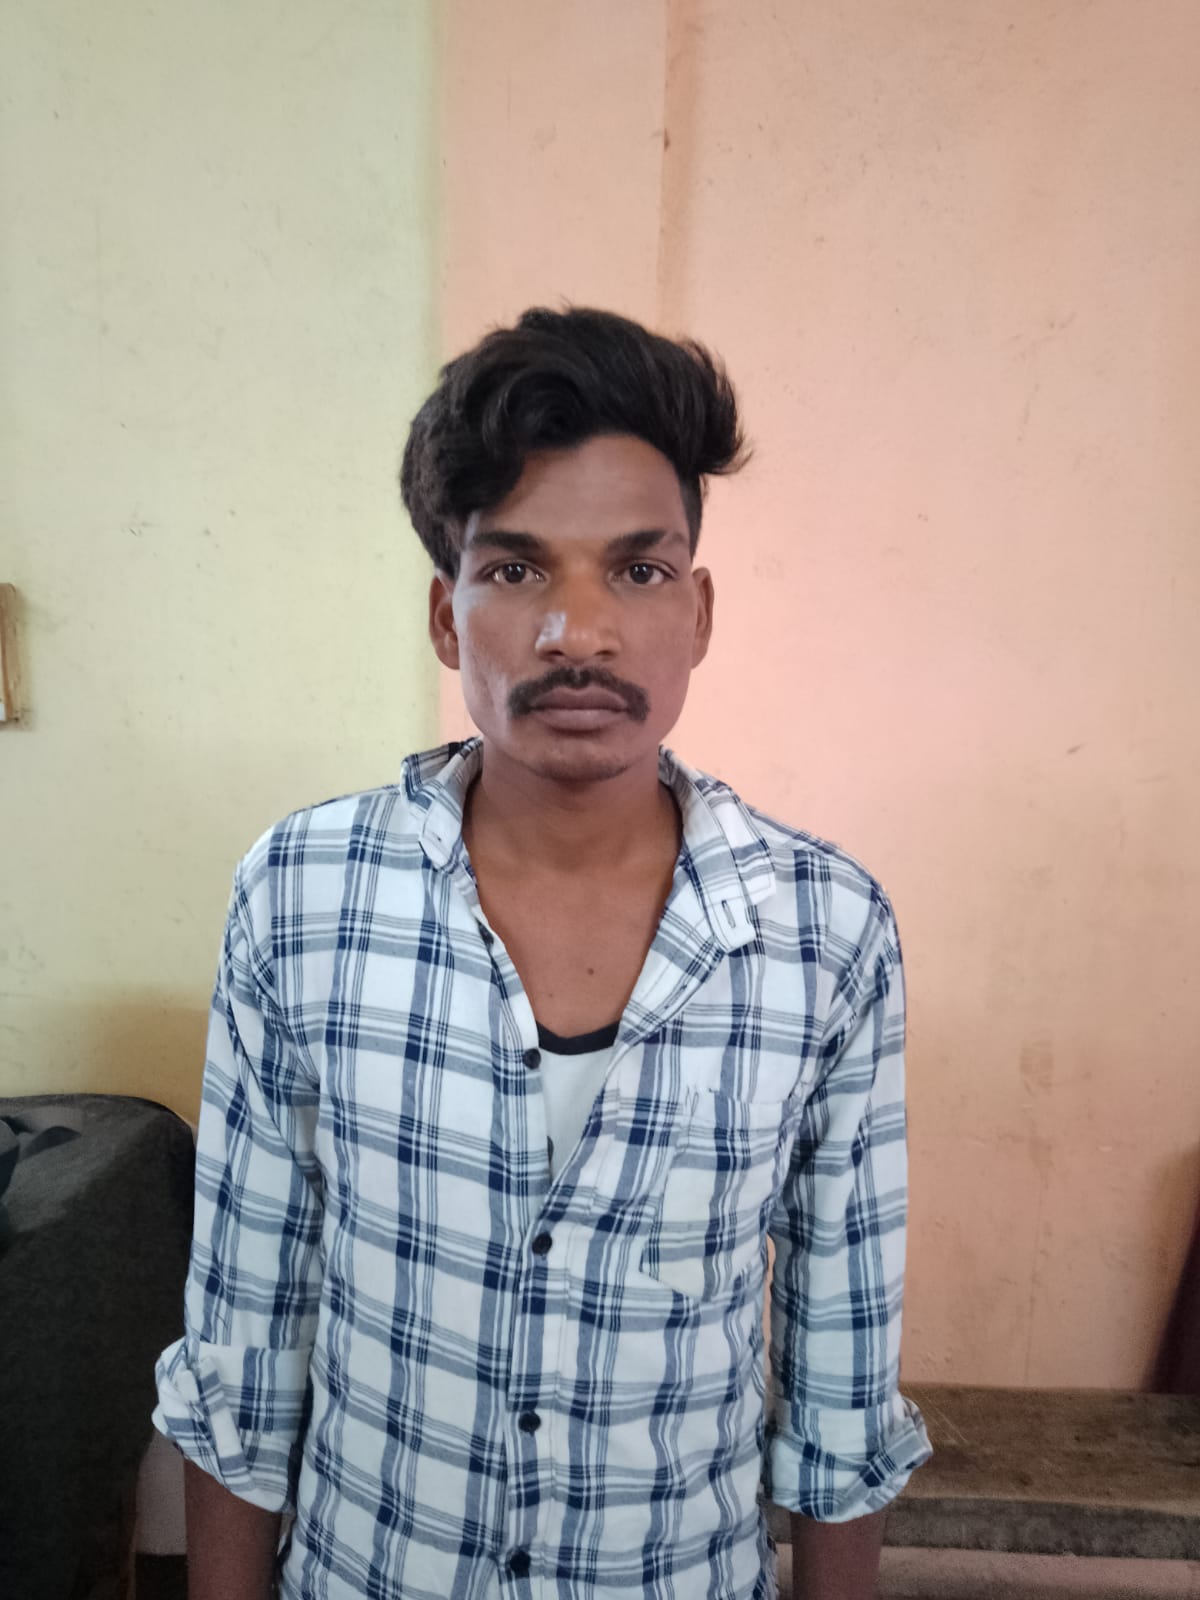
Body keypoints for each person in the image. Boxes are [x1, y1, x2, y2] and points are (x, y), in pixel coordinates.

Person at [154, 307, 930, 1600]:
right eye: (516, 570)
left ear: (699, 611)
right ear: (446, 617)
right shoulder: (301, 895)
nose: (579, 632)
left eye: (638, 571)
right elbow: (244, 1340)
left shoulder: (826, 930)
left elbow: (842, 1380)